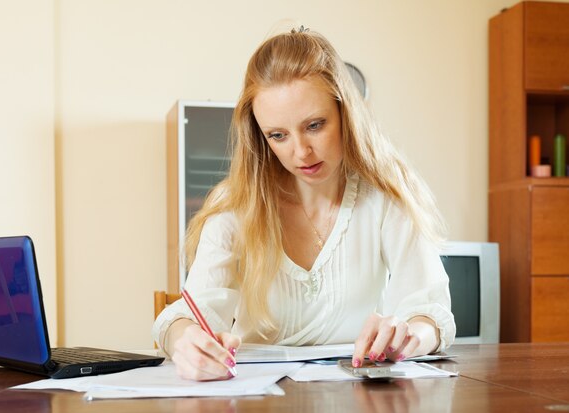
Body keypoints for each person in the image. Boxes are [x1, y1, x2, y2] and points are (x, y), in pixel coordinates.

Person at [152, 26, 456, 381]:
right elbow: (188, 316)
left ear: (346, 114)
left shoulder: (386, 195)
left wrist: (409, 337)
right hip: (260, 401)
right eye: (277, 135)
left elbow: (430, 312)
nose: (300, 152)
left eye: (314, 125)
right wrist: (185, 341)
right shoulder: (235, 206)